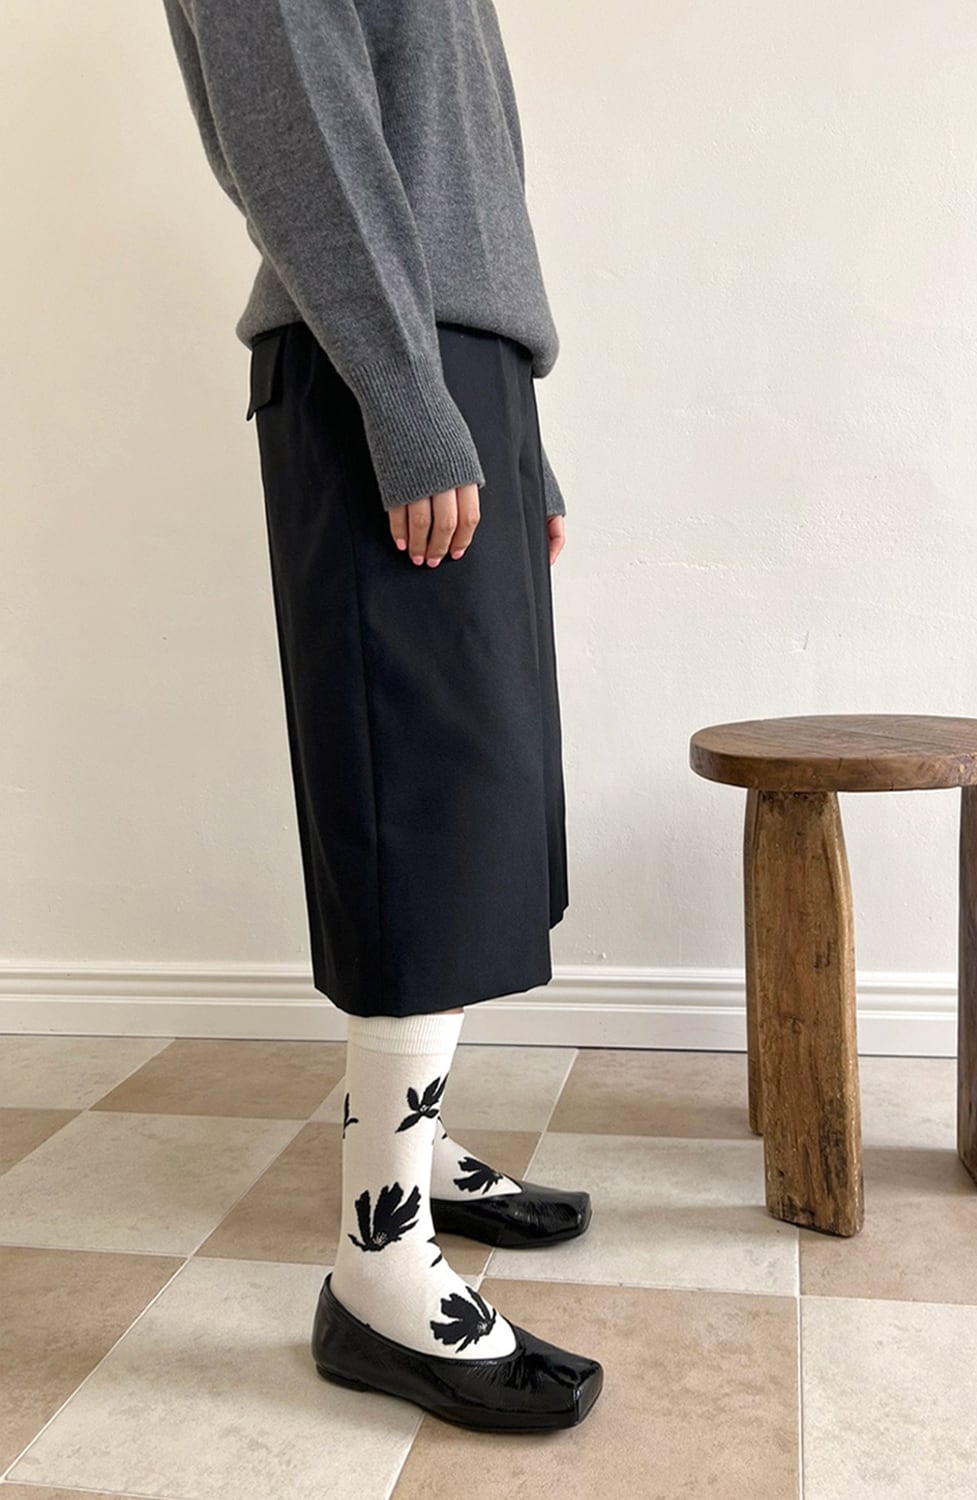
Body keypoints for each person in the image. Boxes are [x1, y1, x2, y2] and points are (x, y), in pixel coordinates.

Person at [160, 0, 603, 1432]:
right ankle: (378, 1268)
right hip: (378, 371)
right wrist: (411, 397)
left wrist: (509, 421)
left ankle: (416, 1149)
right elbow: (301, 131)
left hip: (452, 366)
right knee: (415, 807)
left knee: (476, 801)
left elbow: (454, 163)